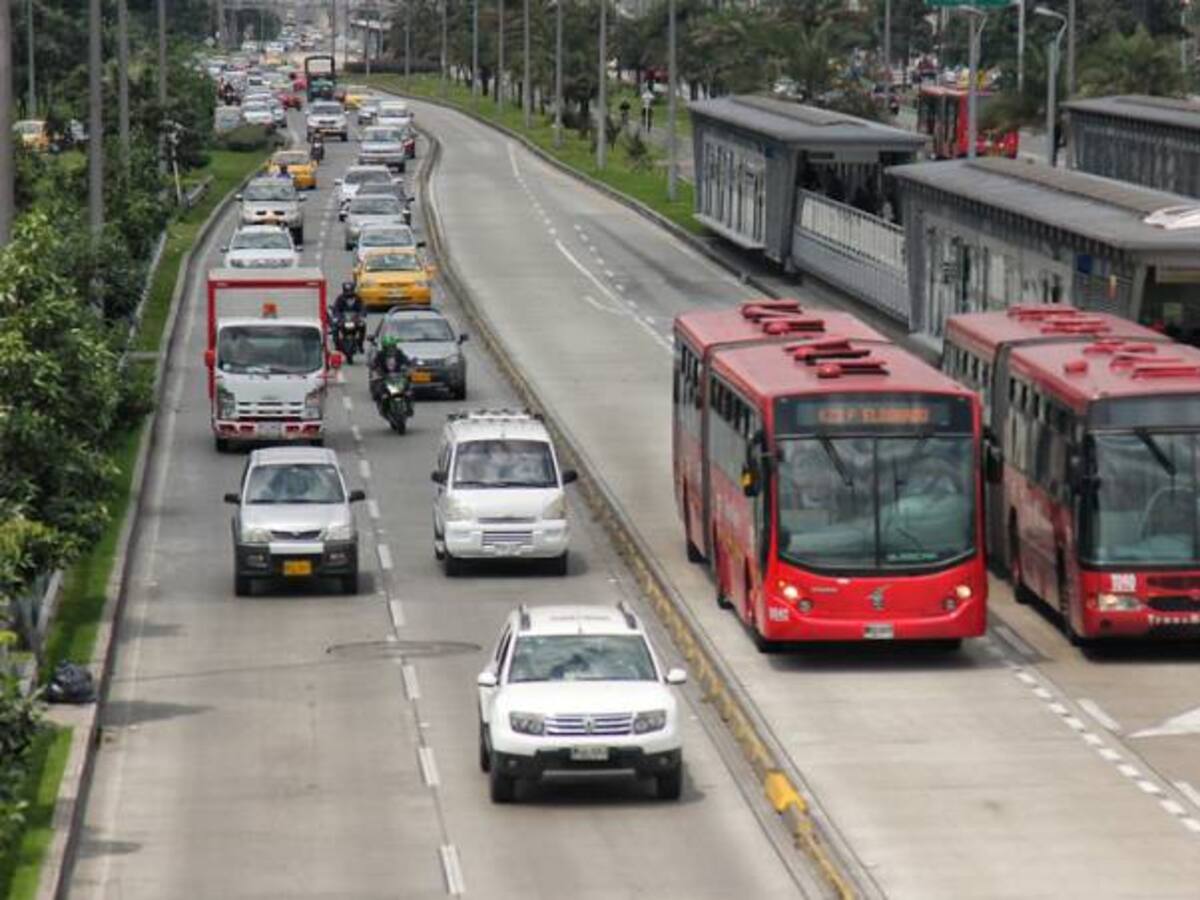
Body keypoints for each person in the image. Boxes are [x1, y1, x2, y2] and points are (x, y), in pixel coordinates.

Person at [369, 334, 412, 404]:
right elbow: (375, 363)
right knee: (378, 388)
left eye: (392, 347)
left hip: (398, 375)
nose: (390, 349)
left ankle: (408, 400)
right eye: (388, 347)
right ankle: (383, 399)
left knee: (407, 385)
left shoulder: (399, 353)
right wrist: (375, 368)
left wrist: (408, 365)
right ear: (384, 347)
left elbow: (406, 360)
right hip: (385, 375)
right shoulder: (380, 354)